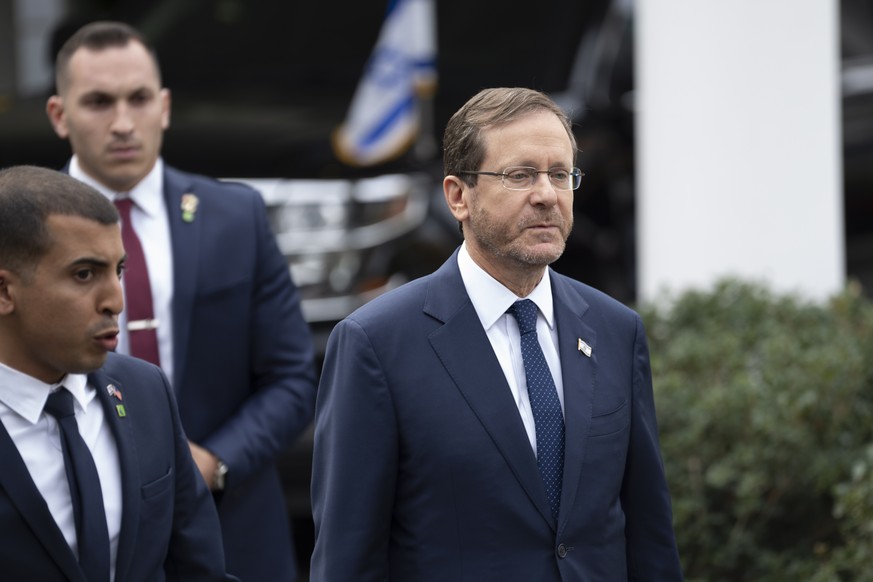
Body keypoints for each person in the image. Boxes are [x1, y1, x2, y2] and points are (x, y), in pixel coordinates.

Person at [311, 87, 683, 580]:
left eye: (560, 174)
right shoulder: (376, 344)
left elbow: (649, 538)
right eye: (520, 175)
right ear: (458, 197)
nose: (547, 195)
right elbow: (347, 559)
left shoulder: (616, 330)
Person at [45, 21, 317, 582]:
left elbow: (293, 378)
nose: (123, 122)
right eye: (98, 102)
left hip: (232, 527)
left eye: (139, 99)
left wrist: (211, 464)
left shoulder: (234, 217)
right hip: (67, 530)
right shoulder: (19, 230)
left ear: (164, 106)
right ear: (59, 115)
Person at [0, 165, 238, 581]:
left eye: (119, 271)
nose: (117, 301)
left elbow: (199, 570)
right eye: (84, 274)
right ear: (5, 292)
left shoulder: (145, 391)